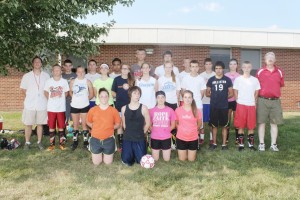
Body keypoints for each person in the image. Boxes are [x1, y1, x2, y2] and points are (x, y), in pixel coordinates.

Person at [20, 56, 50, 150]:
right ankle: (27, 142)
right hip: (30, 104)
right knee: (28, 124)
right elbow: (23, 89)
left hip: (42, 103)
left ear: (41, 64)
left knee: (40, 124)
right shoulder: (27, 76)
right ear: (33, 64)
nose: (37, 63)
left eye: (39, 62)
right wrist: (31, 96)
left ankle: (39, 142)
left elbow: (48, 89)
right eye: (35, 62)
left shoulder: (46, 76)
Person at [256, 52, 284, 152]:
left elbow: (280, 85)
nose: (270, 59)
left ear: (275, 60)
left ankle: (273, 144)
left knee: (274, 123)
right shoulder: (260, 71)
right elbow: (257, 87)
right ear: (265, 60)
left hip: (275, 101)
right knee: (261, 123)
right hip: (262, 100)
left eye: (272, 57)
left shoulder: (280, 72)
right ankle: (261, 144)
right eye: (268, 57)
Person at [86, 88, 121, 165]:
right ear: (99, 97)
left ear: (108, 97)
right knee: (96, 163)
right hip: (95, 139)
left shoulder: (114, 110)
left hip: (108, 139)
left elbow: (118, 124)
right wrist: (94, 126)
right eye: (102, 96)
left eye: (106, 96)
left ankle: (107, 151)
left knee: (108, 163)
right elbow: (88, 121)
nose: (104, 98)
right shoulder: (93, 110)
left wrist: (110, 127)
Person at [206, 61, 233, 150]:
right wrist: (214, 97)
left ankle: (224, 144)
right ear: (215, 69)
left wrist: (223, 98)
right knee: (214, 126)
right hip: (214, 106)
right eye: (216, 68)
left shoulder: (227, 80)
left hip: (224, 106)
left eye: (220, 68)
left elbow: (231, 93)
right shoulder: (211, 80)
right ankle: (214, 143)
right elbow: (207, 93)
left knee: (224, 126)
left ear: (223, 69)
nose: (218, 70)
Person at [234, 61, 260, 151]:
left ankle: (250, 145)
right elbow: (235, 91)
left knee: (251, 126)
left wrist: (254, 100)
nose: (246, 69)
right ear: (242, 68)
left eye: (248, 67)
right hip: (241, 105)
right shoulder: (238, 79)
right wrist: (238, 100)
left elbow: (257, 91)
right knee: (241, 126)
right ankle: (241, 145)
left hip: (251, 105)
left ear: (251, 68)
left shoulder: (255, 80)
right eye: (245, 67)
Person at [121, 86, 150, 166]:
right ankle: (129, 152)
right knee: (126, 161)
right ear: (130, 94)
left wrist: (142, 133)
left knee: (141, 161)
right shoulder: (124, 108)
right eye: (135, 93)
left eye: (138, 93)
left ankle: (136, 152)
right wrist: (129, 133)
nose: (137, 95)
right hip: (128, 138)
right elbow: (124, 124)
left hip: (139, 138)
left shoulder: (144, 108)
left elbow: (148, 123)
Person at [44, 64, 70, 150]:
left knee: (61, 127)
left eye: (58, 70)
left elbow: (66, 93)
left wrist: (60, 99)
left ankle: (61, 144)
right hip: (51, 108)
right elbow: (46, 92)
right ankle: (52, 145)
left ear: (61, 71)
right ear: (52, 71)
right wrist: (52, 99)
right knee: (51, 127)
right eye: (55, 70)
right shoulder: (48, 81)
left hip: (61, 108)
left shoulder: (64, 81)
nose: (56, 71)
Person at [181, 60, 206, 147]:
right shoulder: (185, 78)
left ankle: (197, 141)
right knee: (189, 123)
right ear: (190, 67)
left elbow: (202, 93)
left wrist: (196, 100)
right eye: (192, 66)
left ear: (198, 68)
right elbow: (183, 92)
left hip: (198, 105)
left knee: (198, 124)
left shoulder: (201, 79)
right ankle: (188, 139)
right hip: (187, 106)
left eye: (196, 66)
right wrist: (187, 101)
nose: (194, 68)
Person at [69, 66, 94, 150]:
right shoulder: (73, 81)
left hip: (85, 106)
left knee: (84, 125)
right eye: (79, 71)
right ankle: (75, 142)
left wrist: (85, 100)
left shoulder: (88, 82)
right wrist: (75, 99)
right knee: (75, 125)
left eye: (82, 71)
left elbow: (91, 94)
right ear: (76, 73)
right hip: (74, 106)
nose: (81, 73)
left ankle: (86, 142)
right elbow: (70, 92)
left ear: (85, 72)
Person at [112, 64, 135, 151]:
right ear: (121, 70)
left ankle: (130, 142)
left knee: (130, 125)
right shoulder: (116, 79)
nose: (125, 70)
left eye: (127, 69)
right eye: (123, 68)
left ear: (129, 70)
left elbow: (135, 92)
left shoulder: (132, 80)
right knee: (120, 125)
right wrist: (119, 96)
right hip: (119, 106)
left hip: (131, 106)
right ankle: (121, 145)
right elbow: (112, 92)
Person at [149, 91, 176, 161]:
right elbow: (149, 124)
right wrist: (153, 131)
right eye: (158, 97)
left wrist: (167, 131)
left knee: (166, 159)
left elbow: (173, 125)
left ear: (165, 99)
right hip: (155, 137)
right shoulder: (151, 110)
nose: (160, 99)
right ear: (156, 99)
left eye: (162, 97)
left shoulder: (170, 110)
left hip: (166, 137)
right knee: (155, 159)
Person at [175, 90, 202, 161]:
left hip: (193, 138)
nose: (187, 99)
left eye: (189, 97)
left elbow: (199, 123)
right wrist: (181, 129)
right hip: (181, 138)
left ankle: (191, 151)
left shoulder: (196, 110)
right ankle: (183, 151)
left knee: (191, 160)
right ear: (182, 98)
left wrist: (196, 129)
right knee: (182, 160)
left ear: (192, 99)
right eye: (185, 97)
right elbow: (176, 122)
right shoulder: (178, 110)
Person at [199, 58, 216, 144]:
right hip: (203, 102)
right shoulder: (201, 76)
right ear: (204, 65)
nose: (208, 66)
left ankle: (211, 138)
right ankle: (201, 137)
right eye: (206, 64)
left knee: (211, 121)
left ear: (212, 65)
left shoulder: (215, 75)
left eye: (210, 64)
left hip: (213, 102)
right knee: (202, 121)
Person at [225, 59, 240, 144]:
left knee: (236, 119)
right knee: (227, 119)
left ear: (237, 65)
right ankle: (226, 137)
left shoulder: (240, 76)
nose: (233, 65)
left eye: (234, 64)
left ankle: (237, 138)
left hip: (236, 101)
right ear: (229, 65)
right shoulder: (225, 76)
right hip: (227, 100)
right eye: (231, 64)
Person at [62, 59, 77, 125]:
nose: (68, 67)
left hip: (73, 98)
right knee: (64, 115)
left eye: (69, 66)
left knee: (73, 116)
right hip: (63, 99)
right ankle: (64, 130)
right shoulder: (61, 76)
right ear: (64, 66)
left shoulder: (75, 76)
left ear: (72, 66)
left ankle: (72, 131)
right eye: (66, 66)